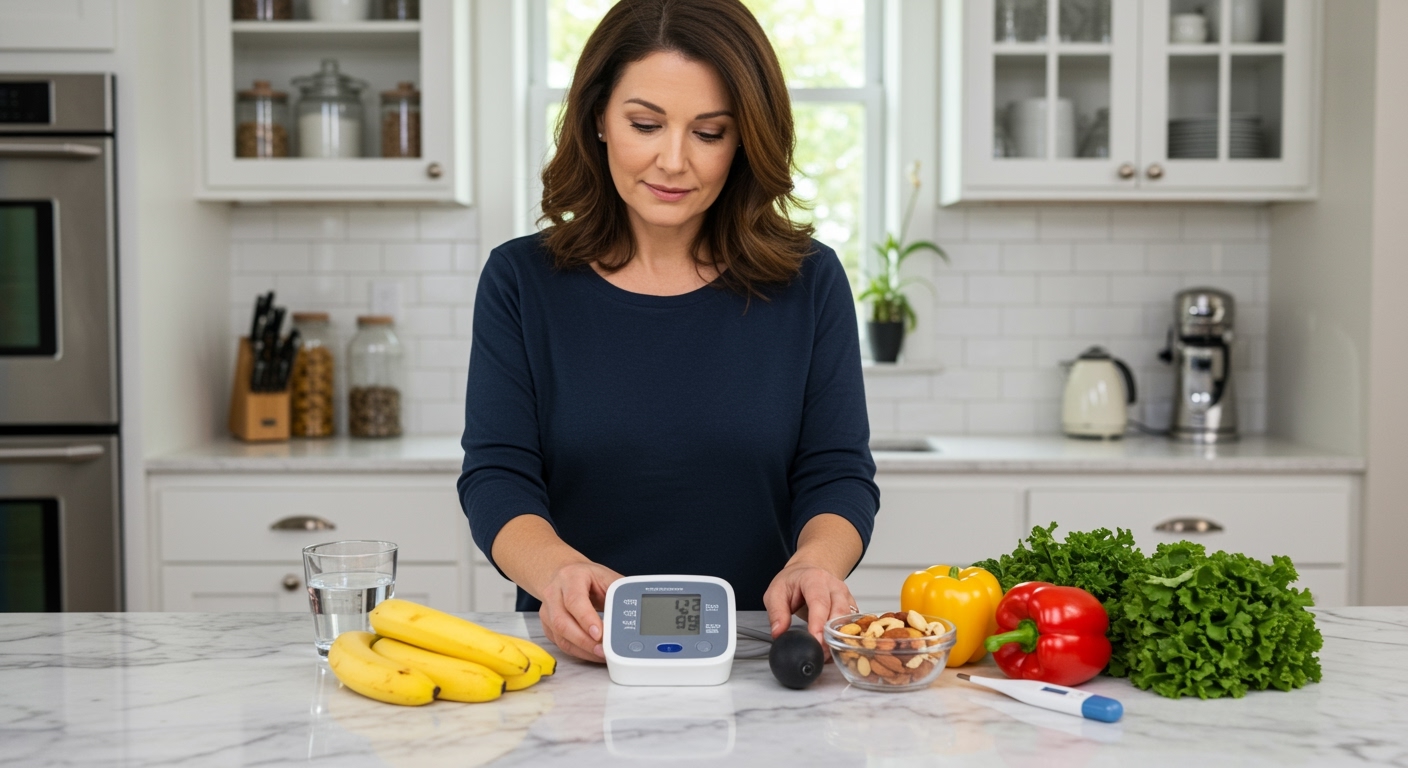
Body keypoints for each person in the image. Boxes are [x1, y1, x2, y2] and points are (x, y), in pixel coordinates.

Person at [458, 0, 878, 663]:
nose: (674, 161)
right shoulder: (520, 280)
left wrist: (815, 565)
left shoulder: (809, 281)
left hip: (752, 659)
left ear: (745, 140)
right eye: (646, 124)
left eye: (710, 133)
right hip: (577, 653)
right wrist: (555, 575)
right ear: (598, 117)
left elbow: (836, 474)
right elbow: (497, 477)